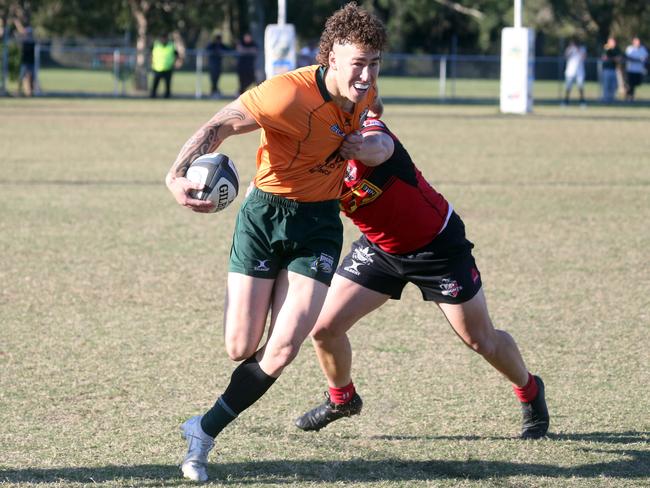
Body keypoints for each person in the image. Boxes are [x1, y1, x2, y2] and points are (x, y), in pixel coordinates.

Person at [165, 3, 387, 482]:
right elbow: (220, 124)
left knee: (283, 347)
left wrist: (368, 140)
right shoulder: (287, 93)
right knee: (240, 345)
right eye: (358, 64)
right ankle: (210, 417)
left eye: (374, 64)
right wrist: (176, 173)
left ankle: (202, 432)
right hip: (264, 216)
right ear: (330, 58)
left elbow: (376, 119)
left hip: (320, 226)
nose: (367, 75)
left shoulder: (366, 95)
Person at [294, 117, 550, 440]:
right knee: (324, 328)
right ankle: (342, 400)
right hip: (380, 250)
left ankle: (530, 390)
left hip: (438, 248)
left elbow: (380, 147)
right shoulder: (311, 162)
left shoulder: (364, 129)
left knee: (480, 339)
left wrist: (357, 147)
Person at [150, 34, 178, 99]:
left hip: (168, 68)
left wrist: (176, 63)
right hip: (157, 68)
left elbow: (177, 55)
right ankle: (153, 95)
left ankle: (167, 96)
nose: (163, 40)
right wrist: (151, 61)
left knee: (167, 84)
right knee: (155, 83)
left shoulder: (171, 45)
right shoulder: (156, 45)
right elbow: (150, 54)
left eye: (165, 38)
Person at [563, 39, 586, 106]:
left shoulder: (582, 49)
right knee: (568, 87)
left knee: (580, 86)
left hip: (580, 71)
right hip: (570, 71)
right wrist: (570, 49)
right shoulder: (570, 49)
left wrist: (577, 49)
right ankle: (566, 101)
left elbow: (583, 57)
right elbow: (566, 56)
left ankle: (582, 101)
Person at [624, 37, 648, 102]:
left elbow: (646, 57)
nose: (638, 43)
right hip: (631, 70)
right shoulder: (630, 48)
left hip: (638, 70)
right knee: (630, 84)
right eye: (636, 42)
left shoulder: (642, 49)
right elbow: (628, 57)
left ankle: (630, 96)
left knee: (636, 84)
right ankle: (629, 96)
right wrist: (637, 60)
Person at [205, 33, 229, 98]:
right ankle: (213, 91)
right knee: (213, 78)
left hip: (218, 65)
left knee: (217, 78)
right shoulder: (212, 45)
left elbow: (228, 49)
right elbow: (207, 49)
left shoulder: (221, 45)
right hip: (212, 65)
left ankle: (215, 90)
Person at [601, 37, 622, 103]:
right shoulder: (606, 48)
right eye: (612, 42)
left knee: (613, 85)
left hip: (614, 69)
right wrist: (613, 58)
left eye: (614, 42)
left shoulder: (617, 49)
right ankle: (606, 99)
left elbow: (619, 58)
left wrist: (612, 58)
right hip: (606, 69)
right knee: (606, 85)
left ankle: (612, 98)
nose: (614, 43)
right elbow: (604, 57)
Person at [18, 27, 36, 97]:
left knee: (32, 78)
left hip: (31, 62)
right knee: (22, 77)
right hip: (25, 62)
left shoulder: (32, 41)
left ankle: (31, 92)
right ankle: (19, 91)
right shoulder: (24, 41)